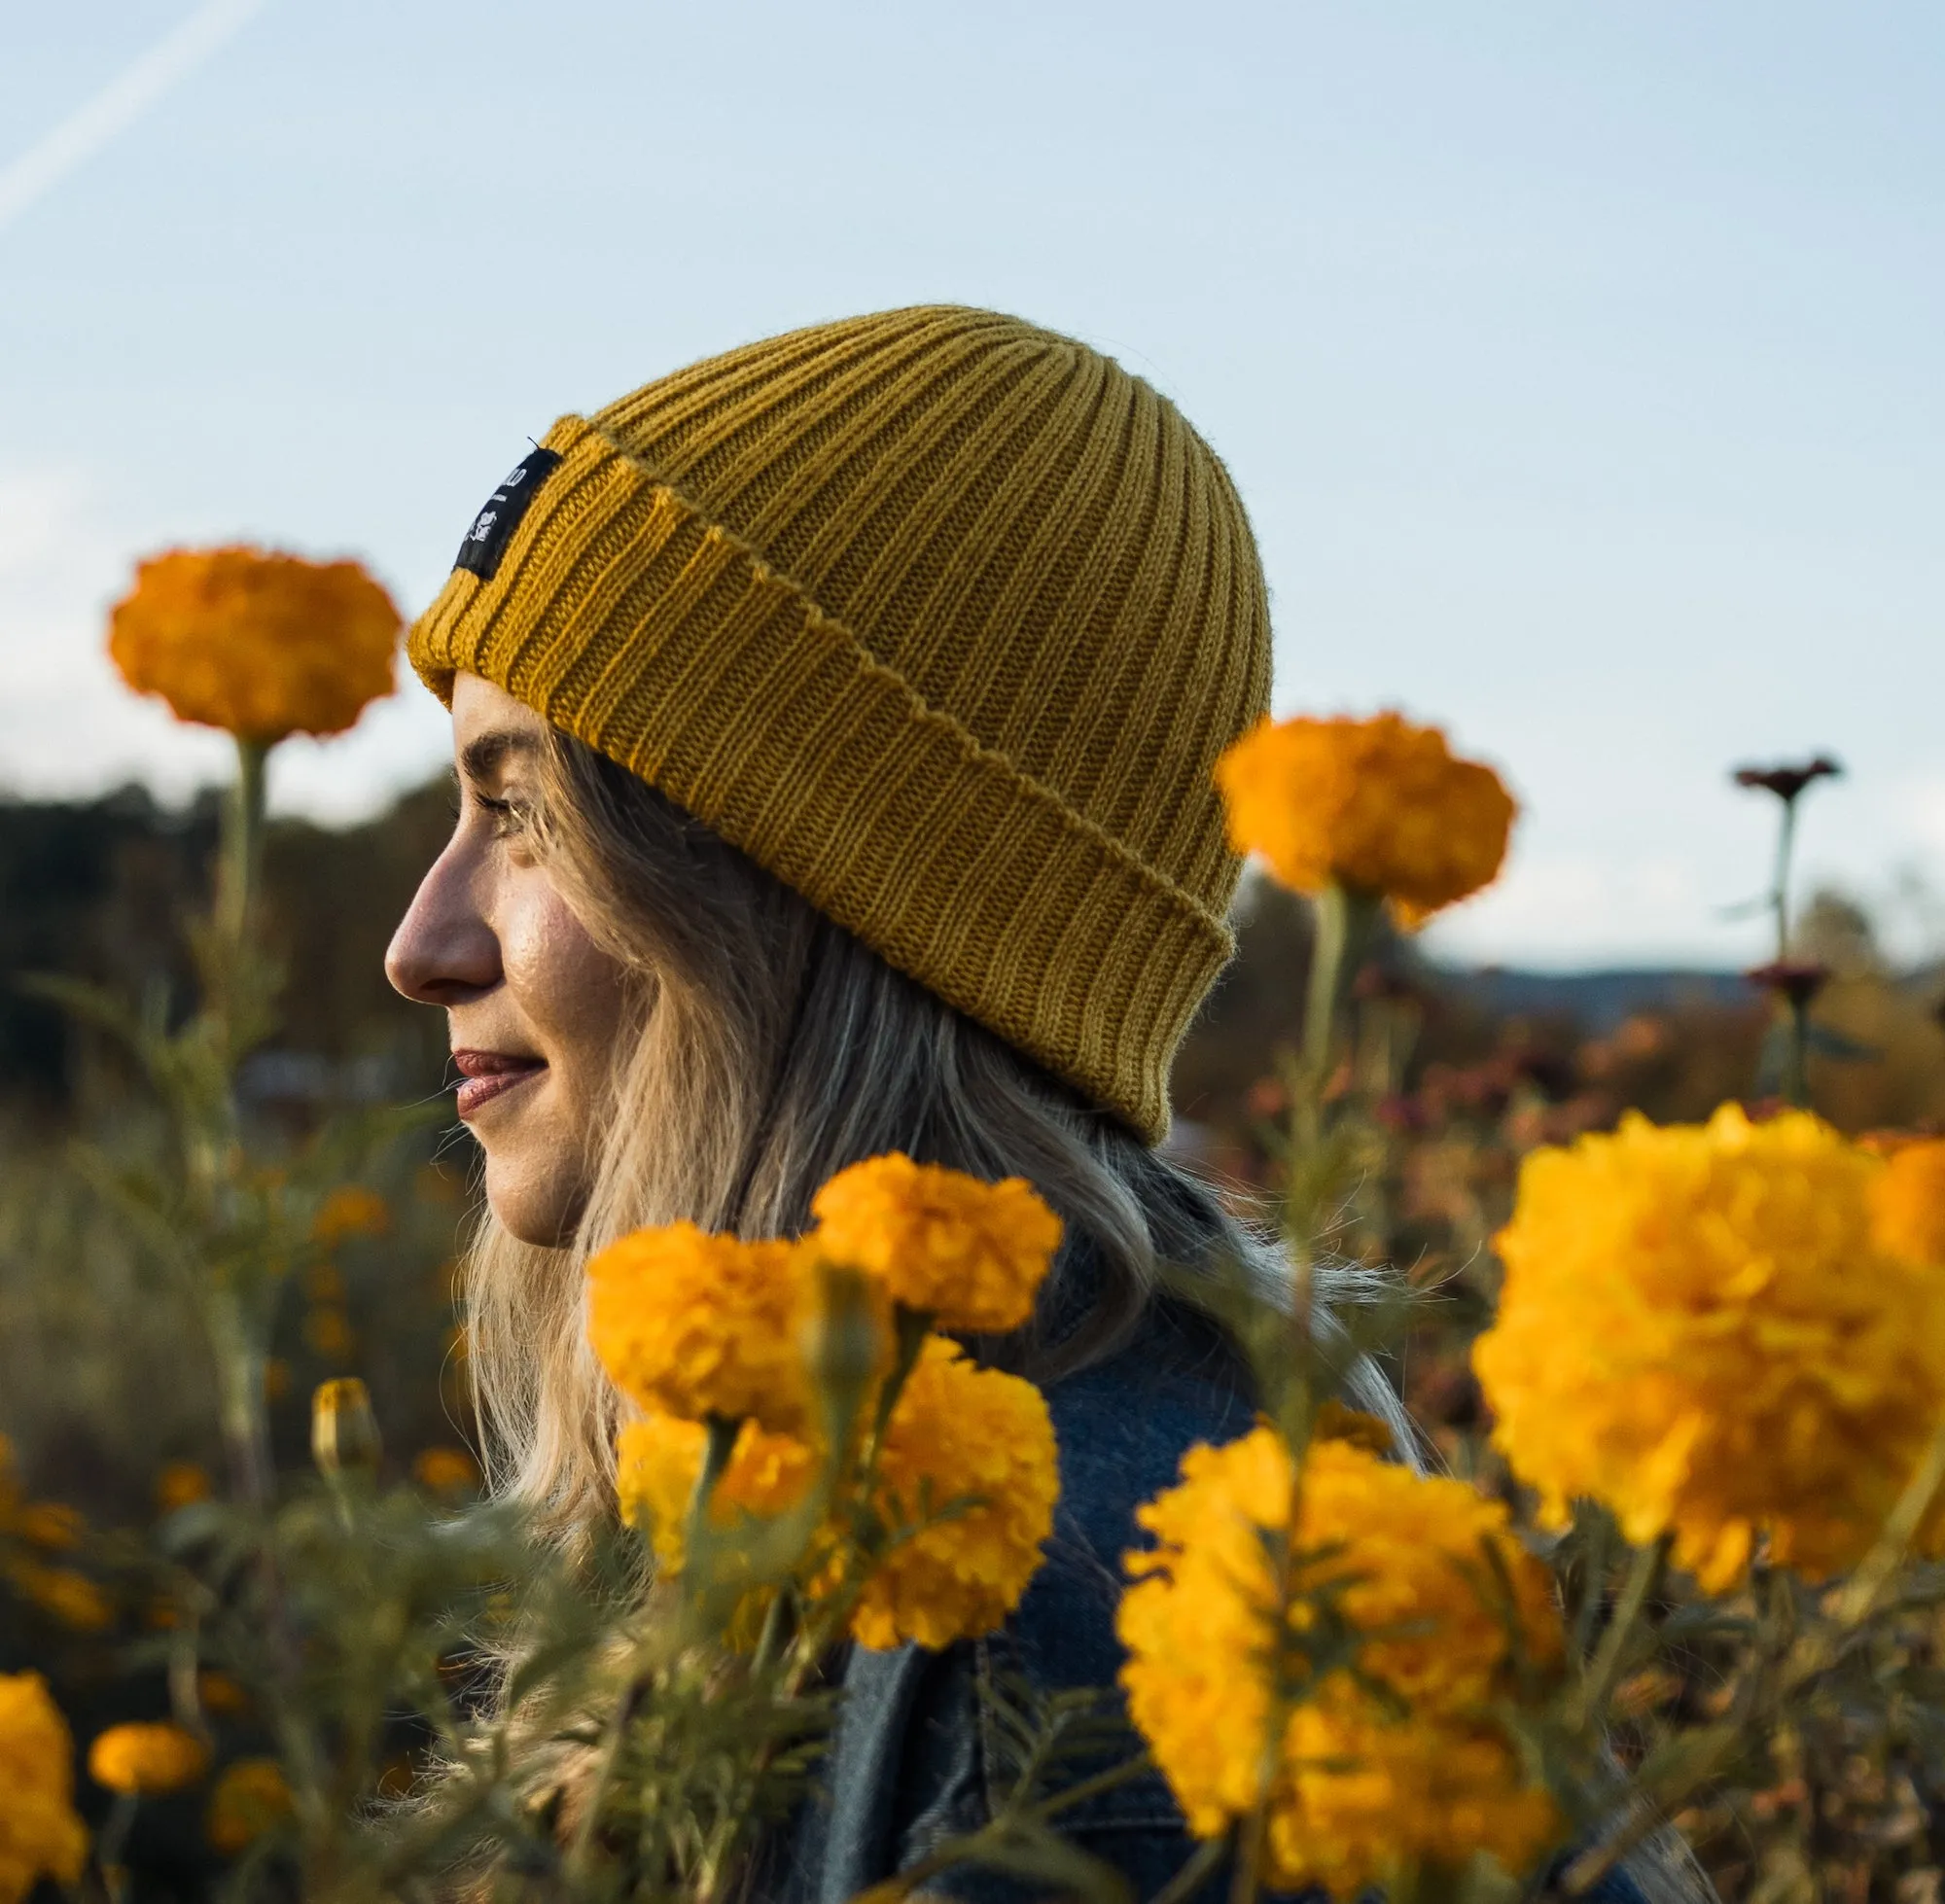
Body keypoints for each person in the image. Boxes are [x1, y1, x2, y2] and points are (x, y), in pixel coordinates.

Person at [383, 306, 1657, 1902]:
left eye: (525, 813)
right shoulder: (1023, 1486)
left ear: (808, 894)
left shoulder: (1022, 1649)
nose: (418, 943)